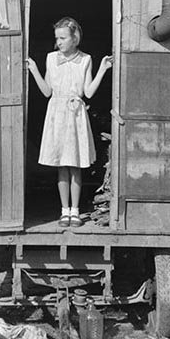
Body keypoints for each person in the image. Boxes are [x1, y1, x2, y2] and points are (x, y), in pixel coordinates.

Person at [27, 16, 113, 227]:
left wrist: (102, 69)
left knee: (75, 165)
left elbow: (89, 92)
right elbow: (47, 91)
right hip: (56, 114)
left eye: (63, 38)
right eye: (57, 38)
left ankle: (75, 211)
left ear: (75, 38)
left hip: (75, 115)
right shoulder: (50, 58)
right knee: (61, 165)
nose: (59, 42)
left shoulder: (86, 60)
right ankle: (64, 210)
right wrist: (34, 69)